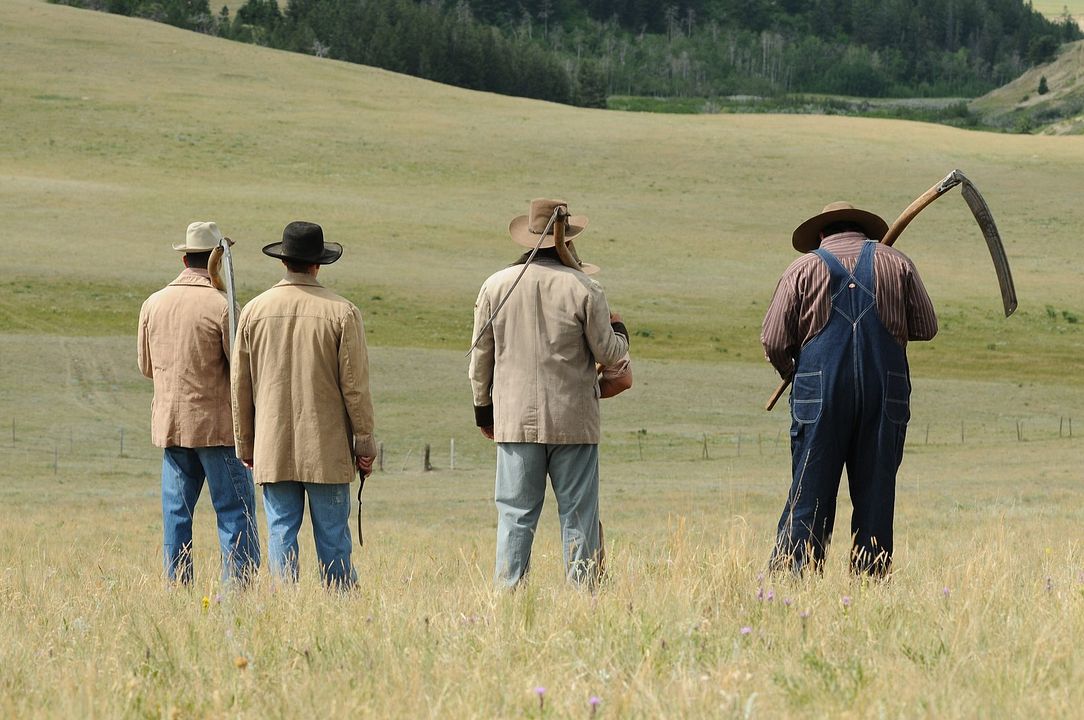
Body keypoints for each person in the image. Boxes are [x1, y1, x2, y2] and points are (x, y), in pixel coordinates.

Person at [762, 201, 938, 577]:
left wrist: (791, 370)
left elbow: (774, 340)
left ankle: (795, 582)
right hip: (884, 391)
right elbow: (926, 326)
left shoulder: (803, 267)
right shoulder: (897, 262)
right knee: (876, 494)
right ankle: (871, 583)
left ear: (822, 234)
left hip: (817, 393)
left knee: (810, 489)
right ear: (863, 230)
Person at [469, 198, 630, 589]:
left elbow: (479, 360)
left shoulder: (495, 285)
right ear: (567, 238)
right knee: (578, 515)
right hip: (573, 420)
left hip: (514, 421)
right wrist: (623, 332)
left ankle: (508, 596)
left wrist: (483, 411)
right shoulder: (586, 287)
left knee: (515, 515)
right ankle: (585, 598)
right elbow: (609, 352)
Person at [231, 221, 376, 588]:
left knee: (281, 532)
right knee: (333, 537)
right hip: (326, 447)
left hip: (272, 444)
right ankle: (341, 606)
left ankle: (285, 608)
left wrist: (245, 444)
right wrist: (364, 442)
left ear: (284, 261)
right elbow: (355, 388)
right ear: (318, 265)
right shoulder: (342, 312)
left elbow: (240, 385)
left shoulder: (253, 311)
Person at [137, 221, 260, 585]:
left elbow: (146, 367)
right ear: (215, 260)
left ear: (184, 259)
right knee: (235, 512)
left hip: (172, 427)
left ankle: (178, 588)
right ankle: (239, 591)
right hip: (218, 429)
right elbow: (240, 371)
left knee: (177, 515)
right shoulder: (221, 305)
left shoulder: (153, 303)